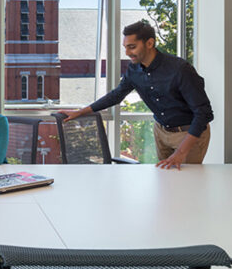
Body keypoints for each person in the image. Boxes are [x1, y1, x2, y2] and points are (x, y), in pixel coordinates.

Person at [60, 21, 213, 170]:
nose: (127, 53)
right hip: (161, 131)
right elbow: (116, 95)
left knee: (186, 184)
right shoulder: (134, 70)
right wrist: (81, 112)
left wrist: (181, 152)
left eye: (132, 47)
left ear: (150, 43)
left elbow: (204, 114)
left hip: (187, 133)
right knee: (167, 182)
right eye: (125, 47)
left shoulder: (180, 69)